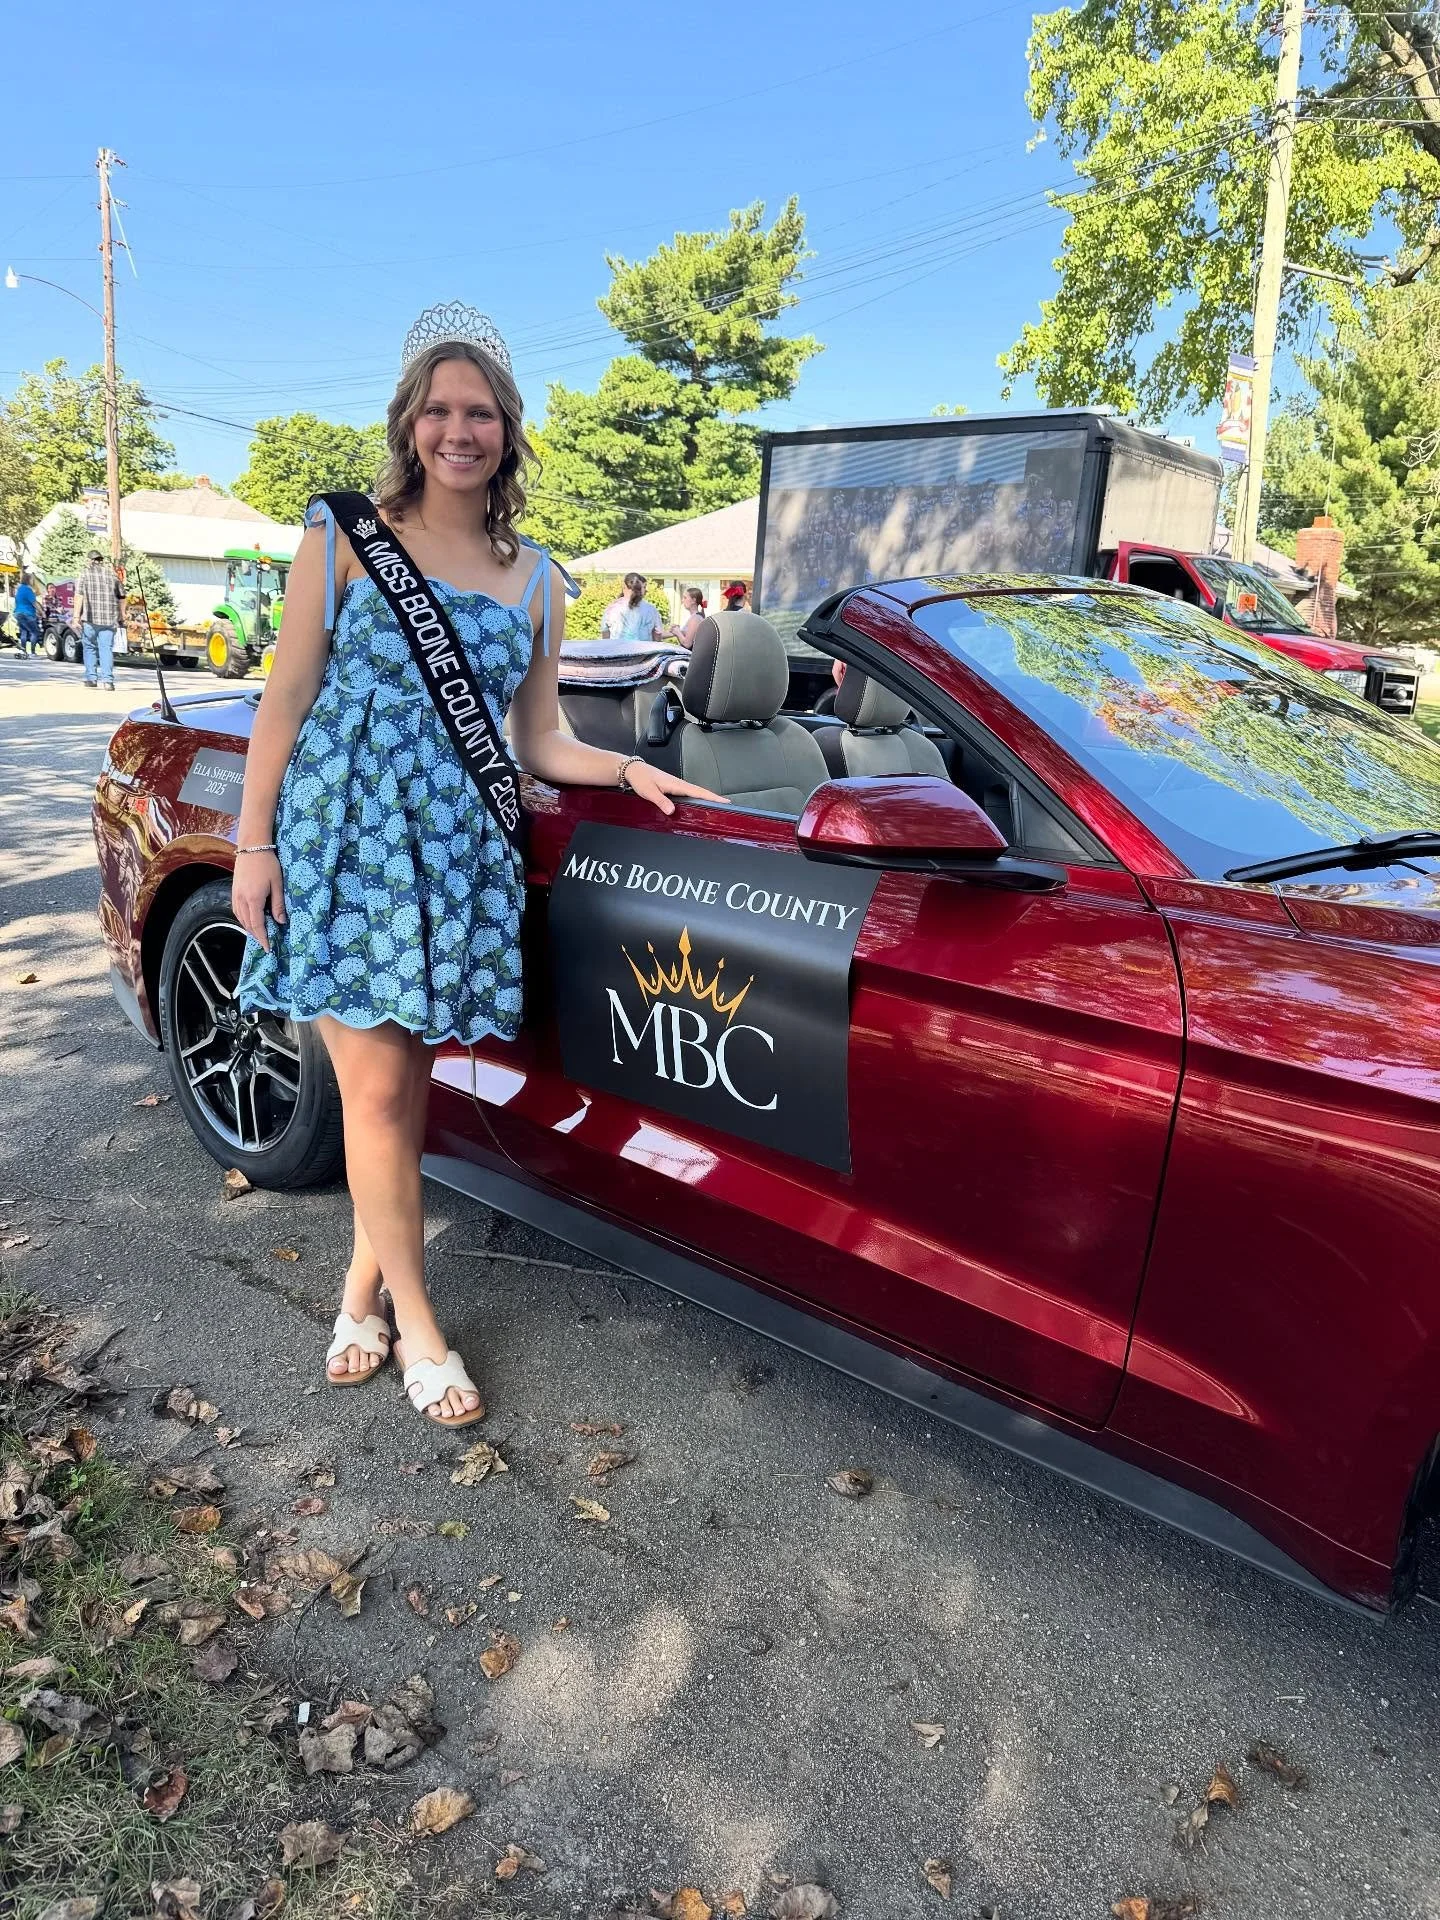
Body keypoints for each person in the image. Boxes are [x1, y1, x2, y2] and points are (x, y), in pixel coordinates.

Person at [231, 305, 723, 1429]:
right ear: (410, 425)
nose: (461, 430)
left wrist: (626, 772)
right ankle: (419, 1325)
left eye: (482, 412)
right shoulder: (343, 534)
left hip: (453, 849)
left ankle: (357, 1294)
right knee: (376, 1088)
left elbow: (537, 737)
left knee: (402, 1094)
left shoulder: (540, 578)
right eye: (440, 410)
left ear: (507, 432)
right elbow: (287, 697)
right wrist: (256, 844)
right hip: (346, 835)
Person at [74, 550, 122, 690]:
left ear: (90, 560)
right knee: (106, 648)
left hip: (90, 618)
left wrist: (76, 616)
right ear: (101, 560)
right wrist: (122, 614)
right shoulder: (112, 574)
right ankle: (108, 682)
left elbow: (79, 596)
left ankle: (92, 679)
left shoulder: (84, 574)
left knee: (89, 647)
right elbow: (122, 596)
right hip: (109, 619)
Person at [599, 572, 665, 645]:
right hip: (644, 654)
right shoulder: (651, 609)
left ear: (624, 586)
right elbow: (657, 635)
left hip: (617, 653)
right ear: (641, 588)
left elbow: (605, 637)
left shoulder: (611, 609)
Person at [13, 573, 39, 657]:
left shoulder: (19, 589)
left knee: (23, 632)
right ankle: (32, 653)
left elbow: (16, 602)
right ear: (28, 580)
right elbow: (34, 602)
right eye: (31, 579)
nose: (32, 581)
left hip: (18, 613)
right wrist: (41, 612)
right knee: (34, 632)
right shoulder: (28, 590)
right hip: (27, 613)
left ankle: (23, 651)